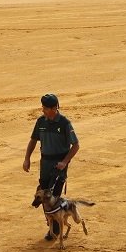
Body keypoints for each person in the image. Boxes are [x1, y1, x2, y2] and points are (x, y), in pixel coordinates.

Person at [23, 94, 80, 241]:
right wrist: (27, 158)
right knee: (43, 195)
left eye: (46, 108)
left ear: (55, 108)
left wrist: (65, 162)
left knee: (53, 196)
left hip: (59, 166)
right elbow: (33, 141)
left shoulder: (64, 123)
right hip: (45, 164)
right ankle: (51, 224)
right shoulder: (41, 122)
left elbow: (76, 145)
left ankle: (54, 229)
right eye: (43, 107)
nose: (43, 110)